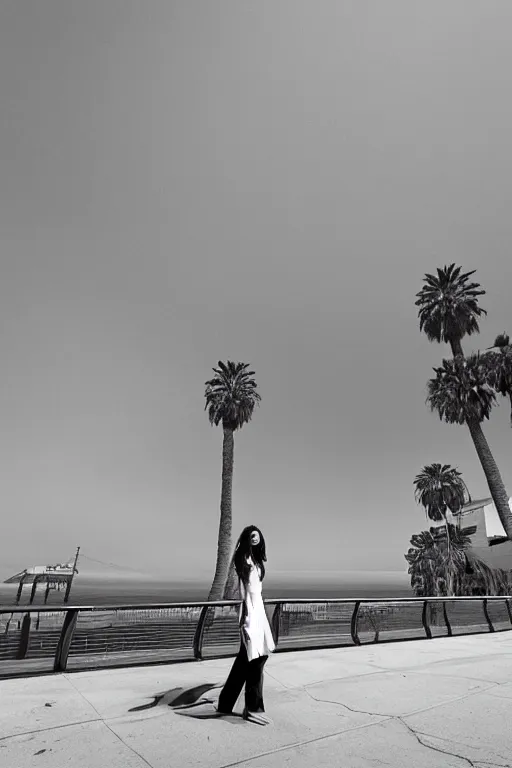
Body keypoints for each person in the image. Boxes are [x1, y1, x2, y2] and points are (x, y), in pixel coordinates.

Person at [215, 525, 275, 725]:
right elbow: (236, 591)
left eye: (257, 535)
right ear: (247, 538)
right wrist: (244, 614)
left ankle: (225, 702)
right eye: (252, 536)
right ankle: (253, 707)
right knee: (256, 658)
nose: (255, 538)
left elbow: (258, 591)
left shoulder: (256, 561)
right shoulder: (241, 559)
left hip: (259, 611)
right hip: (249, 612)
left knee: (246, 659)